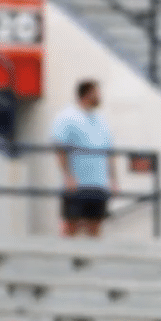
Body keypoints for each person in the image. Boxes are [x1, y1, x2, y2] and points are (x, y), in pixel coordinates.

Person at [49, 79, 118, 237]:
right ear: (87, 94)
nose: (99, 96)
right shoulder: (67, 117)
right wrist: (68, 176)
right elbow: (60, 147)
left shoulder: (101, 120)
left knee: (95, 226)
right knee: (70, 226)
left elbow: (109, 151)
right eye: (97, 93)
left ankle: (93, 253)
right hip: (77, 185)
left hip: (98, 184)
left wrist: (113, 180)